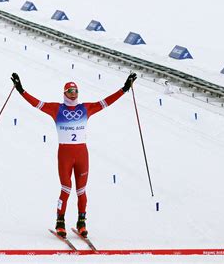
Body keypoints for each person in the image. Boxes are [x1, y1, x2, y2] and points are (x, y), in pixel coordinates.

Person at [10, 72, 137, 238]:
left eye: (75, 91)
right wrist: (21, 90)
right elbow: (37, 103)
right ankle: (60, 222)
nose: (73, 93)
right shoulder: (56, 109)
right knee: (66, 189)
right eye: (70, 91)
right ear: (64, 93)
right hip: (65, 154)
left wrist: (125, 89)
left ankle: (81, 222)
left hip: (82, 155)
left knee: (81, 190)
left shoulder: (85, 108)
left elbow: (106, 102)